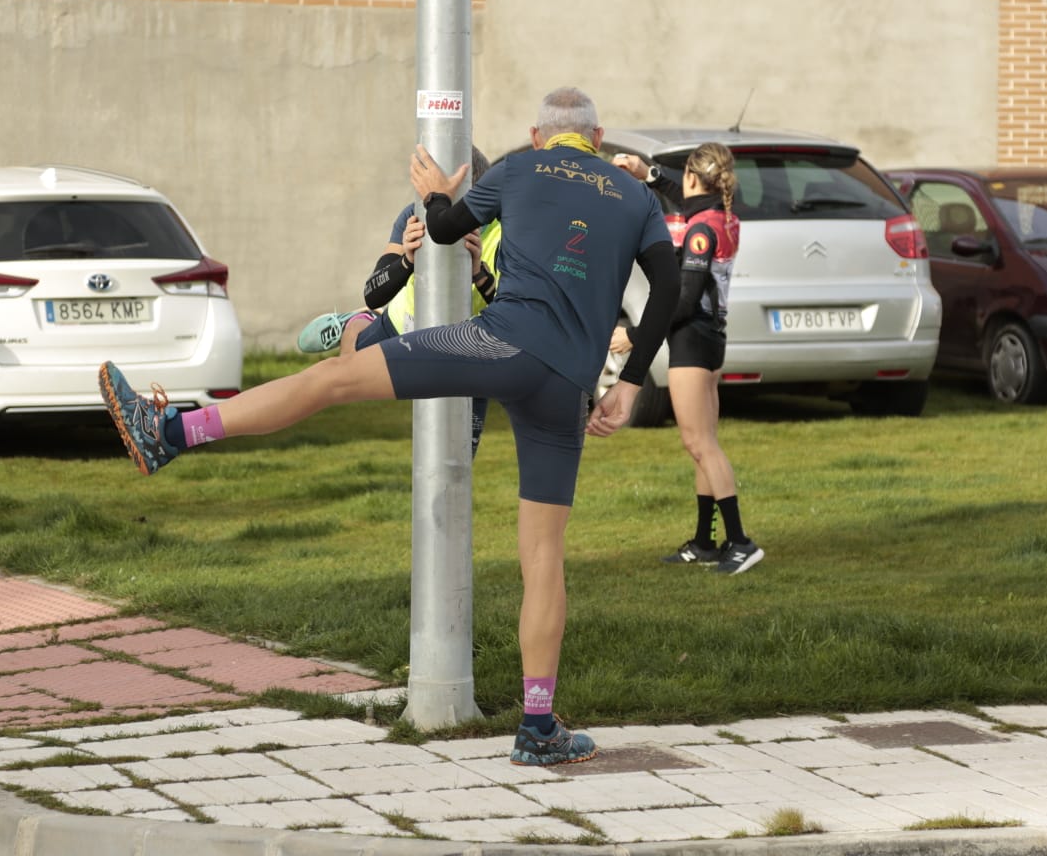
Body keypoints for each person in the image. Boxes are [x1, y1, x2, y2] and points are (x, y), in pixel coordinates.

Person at [98, 87, 681, 767]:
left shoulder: (519, 168)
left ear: (539, 133)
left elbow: (441, 231)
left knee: (334, 379)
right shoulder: (634, 195)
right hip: (567, 388)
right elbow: (666, 291)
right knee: (543, 559)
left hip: (499, 346)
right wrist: (632, 383)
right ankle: (538, 726)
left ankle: (170, 434)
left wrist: (435, 192)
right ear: (599, 135)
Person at [611, 146, 763, 575]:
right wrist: (648, 173)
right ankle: (704, 542)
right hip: (710, 340)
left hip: (692, 342)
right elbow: (685, 196)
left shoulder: (701, 231)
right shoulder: (722, 217)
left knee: (700, 444)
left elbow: (682, 303)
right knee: (702, 444)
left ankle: (740, 541)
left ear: (697, 179)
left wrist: (635, 335)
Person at [297, 147, 498, 455]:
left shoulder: (506, 228)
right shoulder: (413, 214)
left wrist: (478, 273)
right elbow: (374, 291)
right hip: (403, 325)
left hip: (470, 345)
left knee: (460, 457)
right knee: (347, 377)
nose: (454, 218)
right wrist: (406, 260)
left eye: (468, 207)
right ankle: (357, 322)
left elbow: (515, 310)